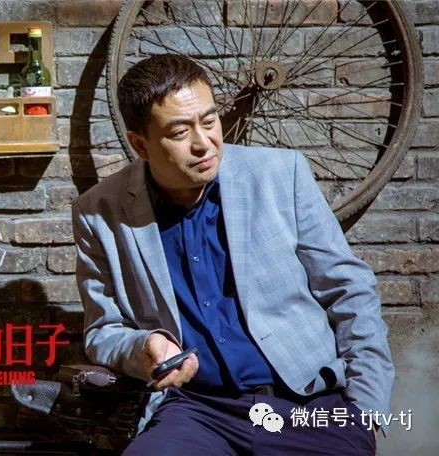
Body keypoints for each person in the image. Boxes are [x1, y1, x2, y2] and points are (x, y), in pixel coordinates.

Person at [72, 54, 393, 455]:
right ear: (140, 145)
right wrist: (144, 347)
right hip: (197, 411)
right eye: (180, 132)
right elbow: (103, 331)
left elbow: (350, 291)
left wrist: (367, 411)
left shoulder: (281, 174)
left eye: (209, 121)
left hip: (306, 403)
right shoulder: (99, 211)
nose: (203, 143)